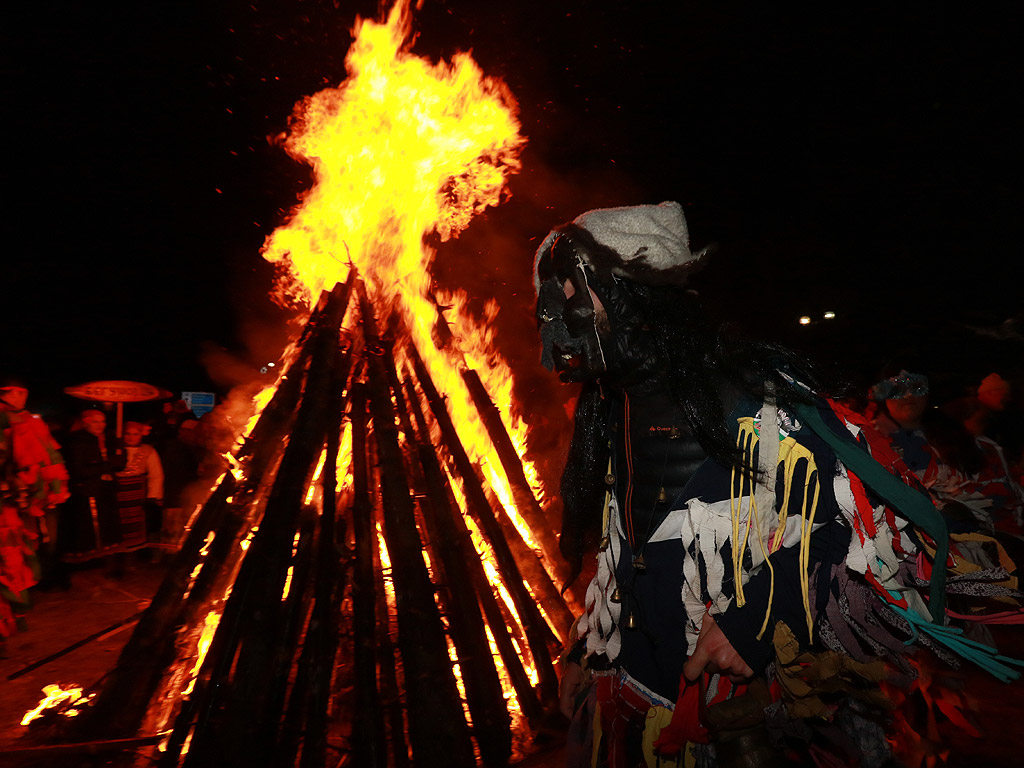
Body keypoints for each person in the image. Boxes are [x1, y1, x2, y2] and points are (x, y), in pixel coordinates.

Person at [533, 202, 1021, 767]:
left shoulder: (755, 398)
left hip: (753, 712)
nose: (553, 313)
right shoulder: (610, 406)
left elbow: (873, 527)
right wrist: (589, 646)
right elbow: (624, 545)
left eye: (568, 288)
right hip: (642, 696)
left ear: (628, 291)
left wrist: (754, 619)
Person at [0, 377, 69, 645]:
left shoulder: (30, 420)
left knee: (17, 554)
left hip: (22, 504)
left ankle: (10, 619)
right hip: (9, 501)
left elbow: (47, 457)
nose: (20, 397)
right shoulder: (6, 421)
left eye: (23, 393)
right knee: (7, 557)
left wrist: (46, 491)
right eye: (14, 393)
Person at [62, 409, 127, 566]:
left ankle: (106, 560)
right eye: (95, 421)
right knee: (91, 529)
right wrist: (107, 465)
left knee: (107, 528)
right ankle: (89, 562)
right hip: (88, 491)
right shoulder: (77, 442)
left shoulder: (108, 438)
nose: (100, 425)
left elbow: (117, 464)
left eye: (103, 421)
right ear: (86, 422)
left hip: (106, 490)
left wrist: (120, 454)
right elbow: (78, 471)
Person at [116, 421, 164, 553]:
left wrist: (153, 496)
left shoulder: (148, 451)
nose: (131, 437)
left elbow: (156, 475)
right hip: (117, 493)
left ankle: (131, 559)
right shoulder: (115, 449)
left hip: (136, 495)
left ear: (141, 435)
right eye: (128, 434)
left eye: (135, 434)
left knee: (135, 527)